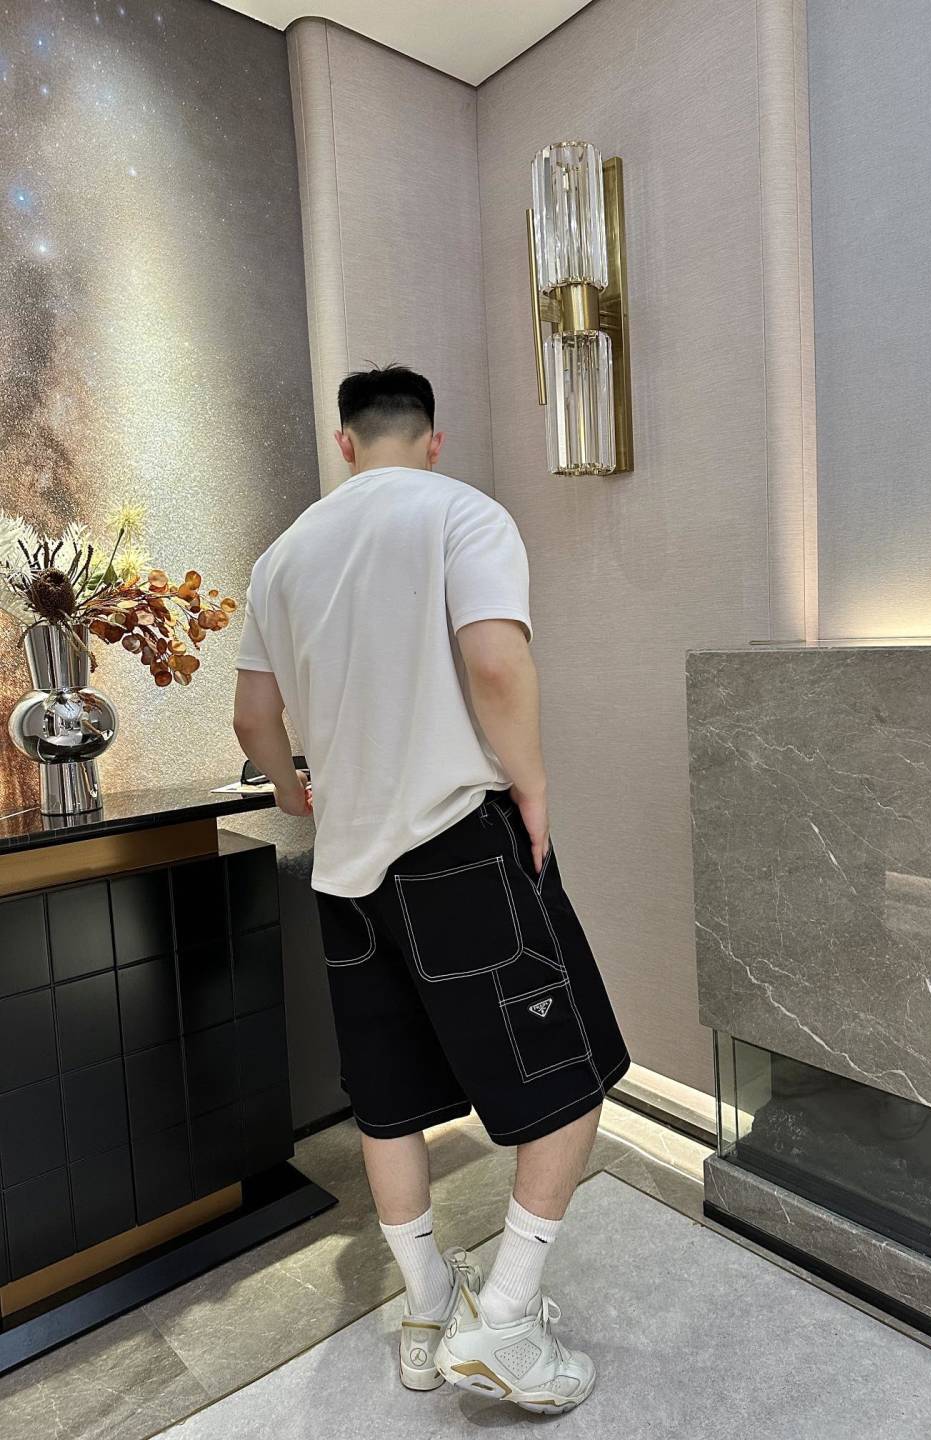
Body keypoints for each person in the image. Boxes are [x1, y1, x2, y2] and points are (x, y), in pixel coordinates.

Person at [231, 366, 629, 1415]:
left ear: (346, 442)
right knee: (572, 1073)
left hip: (345, 874)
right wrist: (533, 786)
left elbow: (253, 721)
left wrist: (294, 792)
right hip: (457, 846)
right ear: (432, 439)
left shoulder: (280, 558)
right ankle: (507, 1320)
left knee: (390, 1100)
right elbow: (494, 664)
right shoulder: (463, 513)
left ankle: (427, 1313)